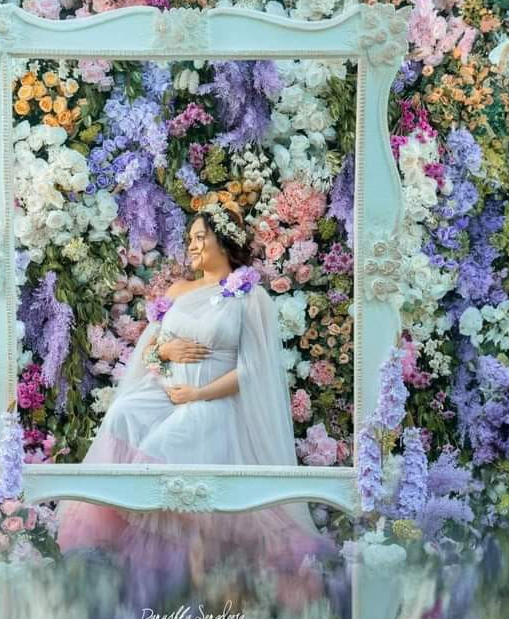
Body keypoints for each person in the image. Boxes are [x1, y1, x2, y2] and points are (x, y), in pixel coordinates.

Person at [54, 200, 337, 586]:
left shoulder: (249, 297)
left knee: (163, 447)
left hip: (214, 401)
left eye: (200, 237)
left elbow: (252, 371)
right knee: (123, 413)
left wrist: (198, 394)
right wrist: (165, 351)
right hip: (167, 391)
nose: (192, 245)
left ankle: (194, 563)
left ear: (224, 241)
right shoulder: (180, 290)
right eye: (190, 238)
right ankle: (135, 549)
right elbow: (151, 352)